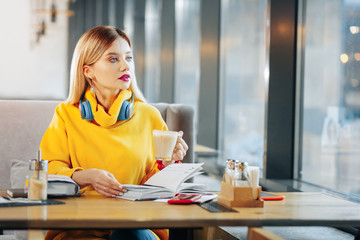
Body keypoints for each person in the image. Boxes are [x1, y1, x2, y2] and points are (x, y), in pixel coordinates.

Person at [40, 25, 188, 240]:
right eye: (113, 59)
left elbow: (157, 187)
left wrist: (168, 164)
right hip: (79, 225)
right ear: (87, 70)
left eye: (129, 58)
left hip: (136, 223)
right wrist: (87, 176)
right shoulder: (65, 115)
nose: (125, 66)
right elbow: (46, 169)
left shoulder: (149, 115)